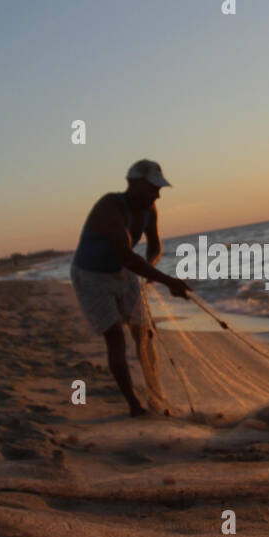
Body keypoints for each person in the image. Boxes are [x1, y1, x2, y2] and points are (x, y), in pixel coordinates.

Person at [70, 160, 191, 416]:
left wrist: (150, 265)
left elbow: (155, 246)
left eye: (159, 189)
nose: (157, 194)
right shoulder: (110, 206)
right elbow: (125, 254)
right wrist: (168, 281)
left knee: (144, 333)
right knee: (115, 337)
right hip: (91, 276)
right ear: (133, 185)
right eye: (152, 188)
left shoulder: (150, 209)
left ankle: (156, 396)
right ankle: (134, 405)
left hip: (123, 272)